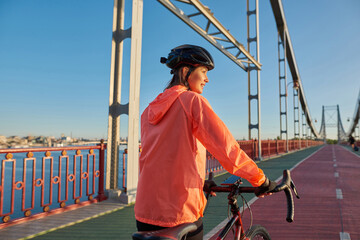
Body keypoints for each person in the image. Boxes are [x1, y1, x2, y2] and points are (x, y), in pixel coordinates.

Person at [134, 44, 276, 239]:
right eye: (203, 72)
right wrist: (261, 180)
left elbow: (163, 157)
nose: (207, 79)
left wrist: (200, 182)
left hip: (145, 210)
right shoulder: (192, 101)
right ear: (186, 71)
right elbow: (227, 150)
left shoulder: (148, 110)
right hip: (180, 212)